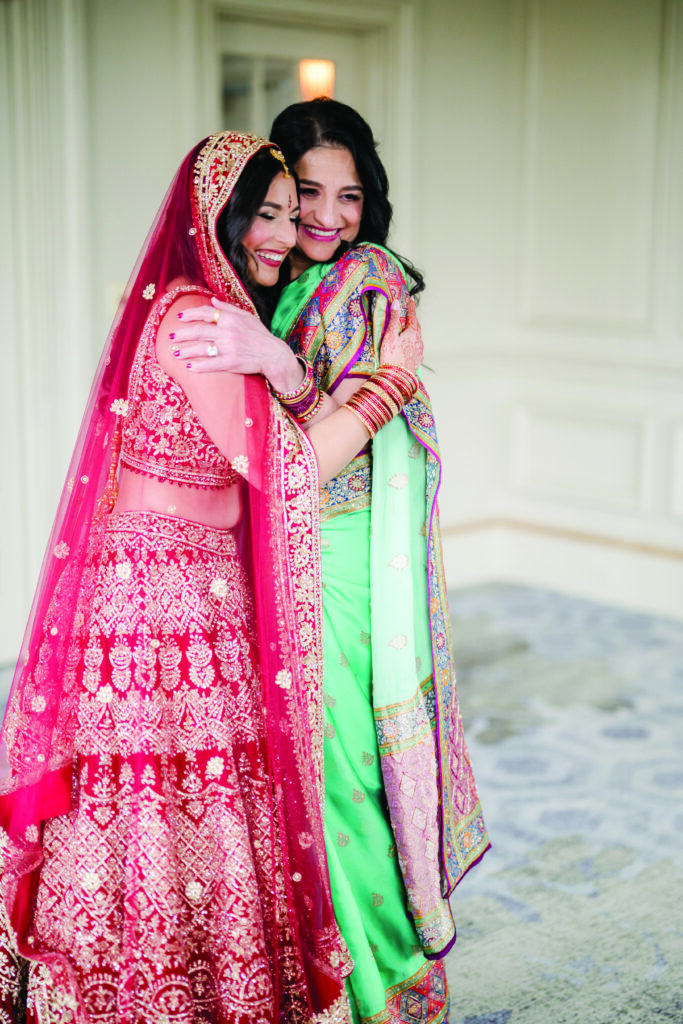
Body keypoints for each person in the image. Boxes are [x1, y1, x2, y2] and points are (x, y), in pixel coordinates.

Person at [0, 129, 421, 1024]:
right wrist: (388, 384)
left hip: (177, 588)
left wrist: (284, 365)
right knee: (167, 809)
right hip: (167, 602)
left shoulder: (207, 305)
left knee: (181, 808)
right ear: (215, 219)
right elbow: (294, 469)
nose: (284, 230)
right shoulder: (198, 317)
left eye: (289, 212)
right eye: (262, 213)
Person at [171, 100, 490, 1024]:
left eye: (349, 197)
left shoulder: (366, 284)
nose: (325, 216)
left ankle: (377, 977)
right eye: (304, 193)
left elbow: (315, 457)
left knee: (340, 768)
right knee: (288, 774)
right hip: (273, 547)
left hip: (340, 556)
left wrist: (273, 361)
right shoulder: (267, 279)